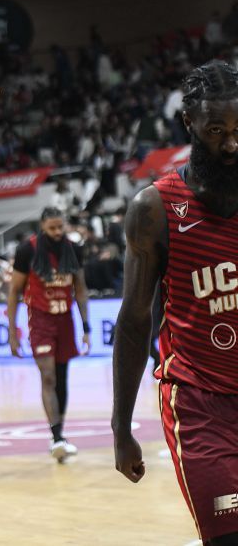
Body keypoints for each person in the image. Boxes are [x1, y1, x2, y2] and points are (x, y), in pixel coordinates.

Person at [113, 61, 238, 543]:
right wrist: (120, 427)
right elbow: (133, 321)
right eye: (215, 131)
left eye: (237, 130)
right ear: (189, 125)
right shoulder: (155, 208)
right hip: (200, 404)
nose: (230, 144)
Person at [7, 207, 91, 462]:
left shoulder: (74, 249)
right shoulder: (27, 250)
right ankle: (55, 437)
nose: (57, 232)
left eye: (60, 227)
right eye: (52, 227)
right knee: (48, 377)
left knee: (62, 379)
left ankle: (60, 434)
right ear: (42, 226)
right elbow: (14, 292)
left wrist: (86, 327)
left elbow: (81, 289)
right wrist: (13, 331)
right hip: (40, 320)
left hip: (65, 319)